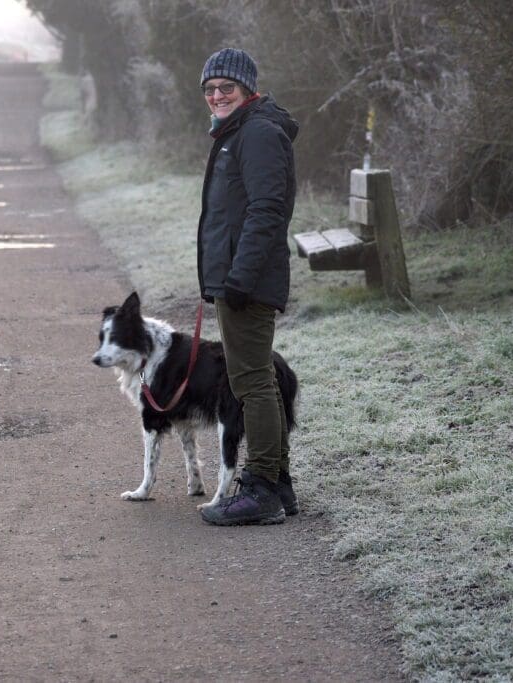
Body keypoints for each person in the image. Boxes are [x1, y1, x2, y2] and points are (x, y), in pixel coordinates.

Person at [196, 48, 299, 526]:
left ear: (247, 90)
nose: (217, 95)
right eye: (210, 89)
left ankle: (260, 489)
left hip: (247, 280)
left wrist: (238, 276)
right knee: (256, 380)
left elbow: (266, 211)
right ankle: (277, 482)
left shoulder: (255, 132)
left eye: (227, 88)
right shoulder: (239, 129)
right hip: (239, 275)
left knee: (253, 382)